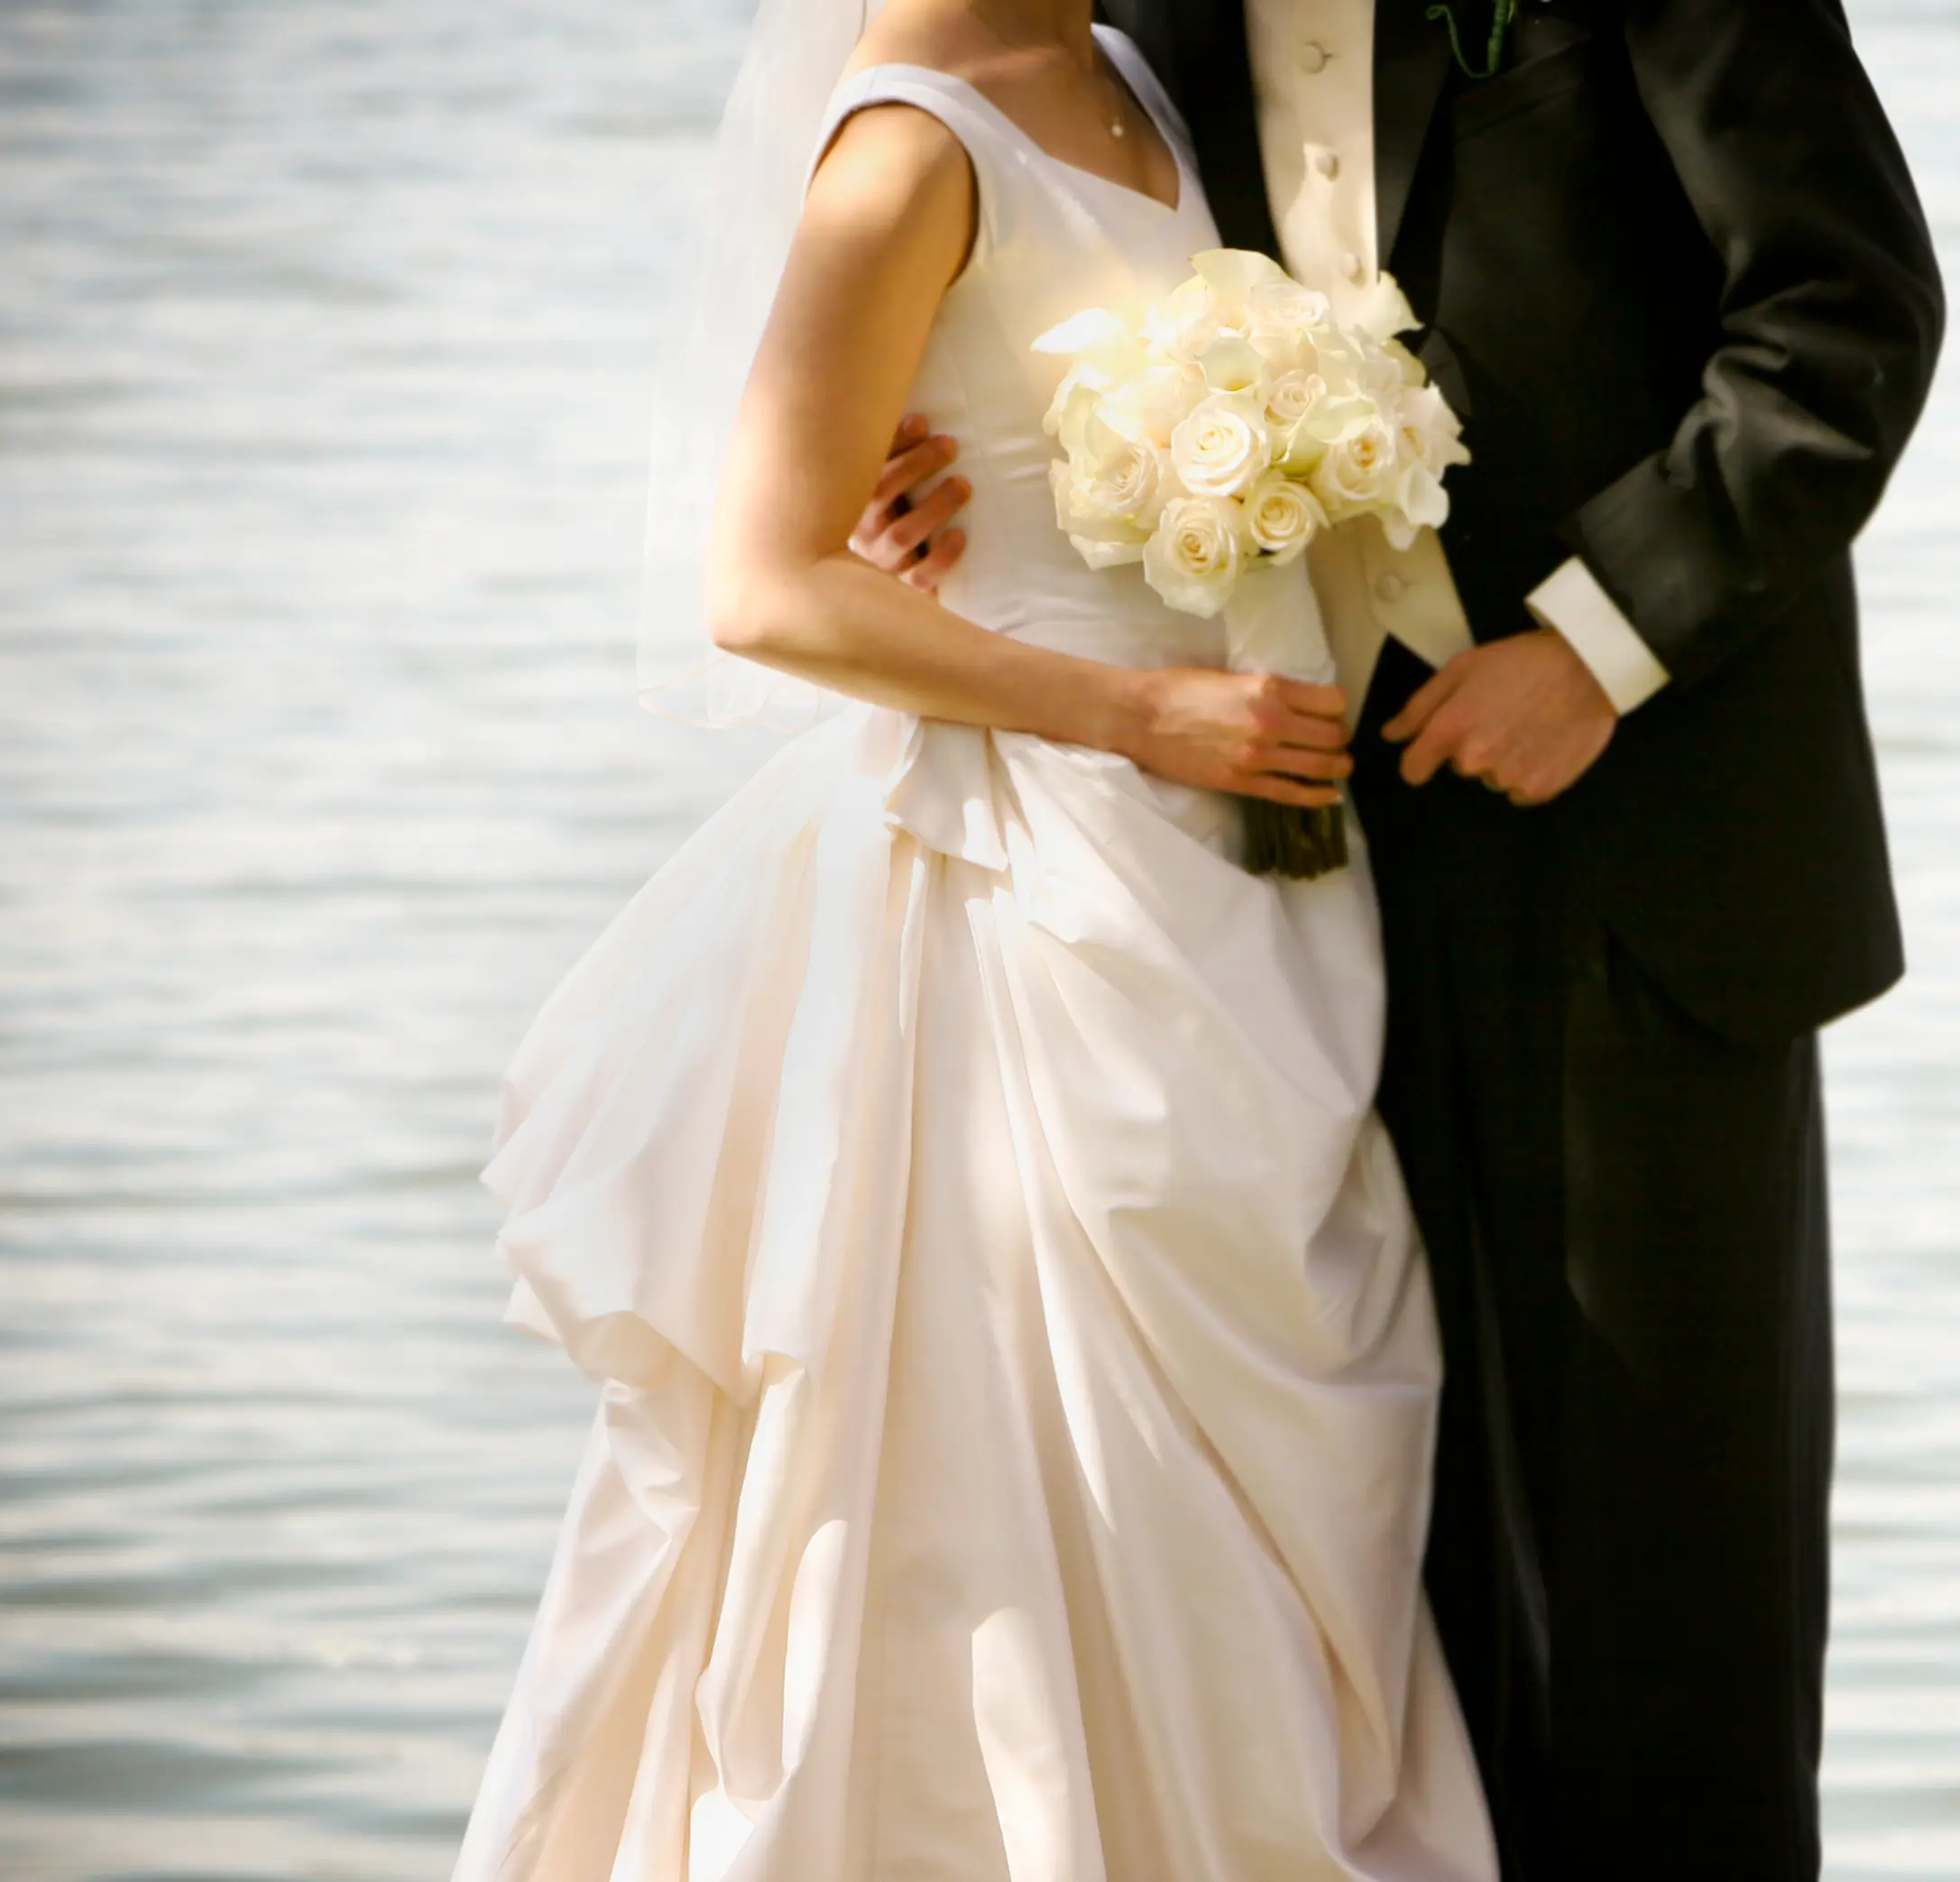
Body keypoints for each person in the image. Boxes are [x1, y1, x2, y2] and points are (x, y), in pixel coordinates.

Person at [870, 1, 1942, 1872]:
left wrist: (1604, 642)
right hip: (1265, 872)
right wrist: (929, 468)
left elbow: (1842, 312)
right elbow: (1052, 278)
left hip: (1648, 847)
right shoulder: (1119, 15)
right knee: (1360, 1563)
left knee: (1673, 1591)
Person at [452, 1, 1499, 1875]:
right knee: (1020, 1455)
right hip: (1036, 883)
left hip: (1245, 875)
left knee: (1256, 1464)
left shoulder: (1134, 71)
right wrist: (1128, 715)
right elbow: (762, 581)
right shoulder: (905, 146)